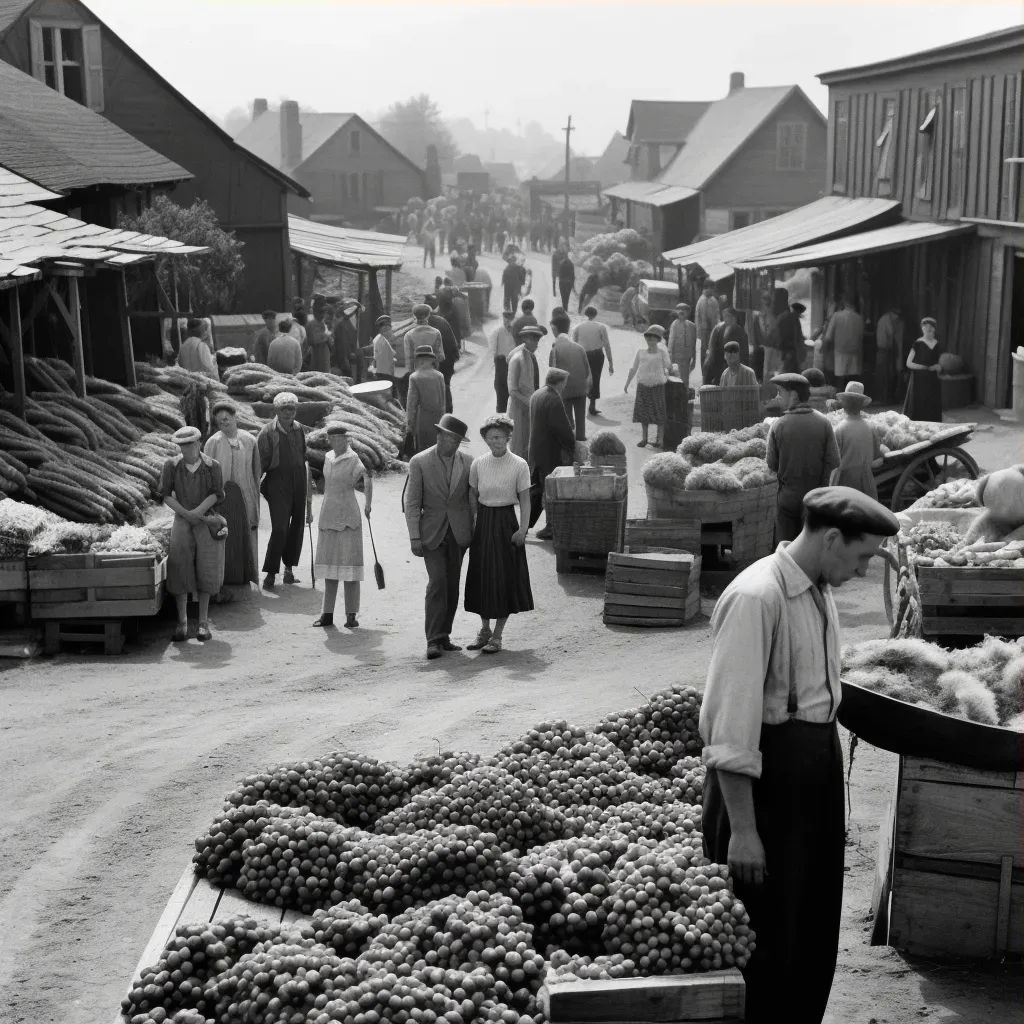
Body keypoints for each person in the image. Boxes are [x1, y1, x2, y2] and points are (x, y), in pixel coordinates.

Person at [699, 485, 899, 1024]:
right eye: (860, 557)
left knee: (809, 926)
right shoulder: (756, 598)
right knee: (766, 939)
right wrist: (743, 830)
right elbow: (730, 730)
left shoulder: (816, 587)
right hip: (765, 792)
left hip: (811, 778)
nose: (861, 572)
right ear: (832, 538)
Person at [405, 414, 474, 660]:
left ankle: (444, 636)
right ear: (439, 435)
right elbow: (411, 502)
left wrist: (473, 532)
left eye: (457, 440)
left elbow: (471, 500)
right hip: (431, 533)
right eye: (448, 437)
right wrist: (414, 536)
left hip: (458, 533)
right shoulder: (419, 462)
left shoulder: (468, 462)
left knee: (453, 585)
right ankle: (432, 640)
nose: (452, 443)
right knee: (438, 583)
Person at [465, 414, 535, 653]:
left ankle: (497, 636)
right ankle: (484, 630)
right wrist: (474, 522)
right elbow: (472, 494)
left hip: (507, 523)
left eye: (500, 437)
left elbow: (525, 500)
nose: (495, 441)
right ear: (485, 439)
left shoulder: (519, 465)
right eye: (491, 437)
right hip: (484, 523)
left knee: (505, 577)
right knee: (483, 575)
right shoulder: (479, 463)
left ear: (508, 437)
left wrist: (523, 530)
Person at [161, 425, 226, 642]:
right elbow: (166, 495)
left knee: (206, 567)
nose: (185, 449)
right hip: (182, 520)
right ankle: (182, 622)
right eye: (182, 446)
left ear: (199, 443)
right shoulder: (171, 465)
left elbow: (217, 494)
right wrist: (186, 513)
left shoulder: (212, 466)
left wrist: (197, 512)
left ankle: (204, 623)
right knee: (180, 566)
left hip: (206, 520)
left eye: (189, 445)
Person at [766, 374, 841, 543]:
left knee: (786, 550)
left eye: (780, 392)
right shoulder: (824, 423)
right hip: (816, 499)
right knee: (812, 551)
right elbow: (834, 461)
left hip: (787, 501)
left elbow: (771, 465)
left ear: (793, 395)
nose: (777, 397)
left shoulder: (778, 425)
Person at [312, 424, 372, 630]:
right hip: (328, 514)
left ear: (347, 440)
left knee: (350, 566)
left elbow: (367, 478)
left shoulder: (354, 459)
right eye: (332, 438)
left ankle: (351, 615)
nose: (336, 442)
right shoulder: (328, 457)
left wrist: (368, 504)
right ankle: (327, 613)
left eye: (340, 438)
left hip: (348, 515)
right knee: (329, 566)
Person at [257, 392, 313, 590]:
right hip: (277, 483)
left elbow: (303, 456)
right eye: (284, 410)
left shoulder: (298, 429)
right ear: (276, 411)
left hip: (298, 481)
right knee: (280, 529)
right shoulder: (267, 433)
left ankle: (289, 570)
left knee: (297, 527)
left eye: (292, 409)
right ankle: (271, 572)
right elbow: (260, 464)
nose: (289, 414)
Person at [204, 400, 260, 591]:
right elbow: (207, 471)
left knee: (247, 532)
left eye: (227, 418)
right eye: (220, 421)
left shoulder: (250, 440)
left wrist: (255, 496)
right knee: (226, 533)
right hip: (223, 498)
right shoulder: (213, 442)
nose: (224, 422)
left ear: (235, 418)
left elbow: (256, 471)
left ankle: (246, 576)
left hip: (246, 495)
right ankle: (225, 577)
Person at [528, 367, 576, 539]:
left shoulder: (537, 394)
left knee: (537, 489)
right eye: (564, 382)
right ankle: (550, 527)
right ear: (560, 382)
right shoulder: (554, 399)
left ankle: (524, 525)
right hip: (549, 452)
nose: (565, 386)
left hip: (535, 449)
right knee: (551, 490)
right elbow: (562, 428)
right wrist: (572, 444)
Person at [625, 324, 672, 448]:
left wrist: (667, 372)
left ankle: (660, 440)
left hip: (658, 385)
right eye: (648, 337)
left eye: (653, 337)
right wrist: (627, 384)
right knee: (643, 413)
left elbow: (669, 367)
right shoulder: (640, 352)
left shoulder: (662, 352)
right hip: (643, 385)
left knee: (659, 413)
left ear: (658, 339)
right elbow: (633, 368)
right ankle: (644, 439)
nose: (650, 339)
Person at [830, 382, 879, 499]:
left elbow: (832, 460)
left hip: (845, 482)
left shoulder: (839, 429)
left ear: (844, 404)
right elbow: (877, 456)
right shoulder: (870, 427)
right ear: (862, 405)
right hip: (867, 480)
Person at [548, 309, 592, 441]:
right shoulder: (579, 347)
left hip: (565, 390)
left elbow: (553, 374)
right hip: (581, 388)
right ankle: (580, 437)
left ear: (554, 329)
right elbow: (587, 371)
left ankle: (568, 440)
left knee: (566, 419)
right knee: (580, 418)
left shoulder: (555, 349)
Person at [507, 323, 544, 459]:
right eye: (533, 339)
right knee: (517, 445)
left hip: (528, 408)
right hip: (517, 409)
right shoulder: (516, 359)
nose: (536, 343)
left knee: (528, 445)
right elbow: (512, 390)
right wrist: (530, 402)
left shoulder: (529, 357)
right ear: (524, 339)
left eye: (537, 340)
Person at [572, 306, 614, 416]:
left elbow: (574, 345)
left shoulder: (577, 327)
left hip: (582, 355)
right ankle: (592, 405)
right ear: (595, 315)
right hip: (597, 355)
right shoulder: (601, 327)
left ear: (585, 314)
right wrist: (610, 363)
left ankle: (580, 404)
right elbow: (607, 345)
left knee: (582, 379)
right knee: (595, 379)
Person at [406, 345, 447, 453]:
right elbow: (444, 401)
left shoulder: (415, 377)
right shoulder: (439, 376)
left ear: (419, 360)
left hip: (423, 419)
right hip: (439, 418)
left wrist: (409, 425)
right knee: (438, 448)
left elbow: (412, 404)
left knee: (424, 450)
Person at [904, 317, 944, 422]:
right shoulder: (918, 343)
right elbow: (908, 363)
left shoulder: (937, 344)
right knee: (920, 404)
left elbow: (940, 362)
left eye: (931, 327)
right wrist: (923, 367)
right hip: (919, 380)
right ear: (922, 329)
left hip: (932, 380)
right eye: (926, 327)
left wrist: (938, 367)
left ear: (934, 329)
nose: (928, 330)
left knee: (932, 404)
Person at [824, 297, 864, 389]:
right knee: (853, 379)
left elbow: (828, 337)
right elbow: (861, 337)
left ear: (843, 304)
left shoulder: (836, 316)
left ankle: (840, 399)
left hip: (840, 351)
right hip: (855, 353)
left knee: (840, 378)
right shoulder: (859, 318)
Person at [431, 294, 462, 412]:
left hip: (433, 362)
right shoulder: (442, 321)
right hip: (447, 361)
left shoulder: (421, 325)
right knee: (445, 385)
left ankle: (439, 411)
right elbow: (452, 340)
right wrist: (456, 355)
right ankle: (448, 411)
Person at [703, 307, 749, 385]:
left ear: (734, 318)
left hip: (733, 360)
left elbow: (744, 351)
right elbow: (713, 346)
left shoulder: (740, 331)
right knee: (708, 368)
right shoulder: (718, 329)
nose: (726, 319)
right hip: (719, 359)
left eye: (728, 316)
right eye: (725, 316)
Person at [875, 304, 905, 406]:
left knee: (888, 375)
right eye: (896, 314)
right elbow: (890, 335)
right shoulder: (886, 320)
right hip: (884, 351)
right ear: (892, 313)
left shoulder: (889, 320)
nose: (897, 317)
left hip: (887, 351)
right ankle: (884, 399)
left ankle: (886, 398)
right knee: (885, 375)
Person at [491, 310, 517, 413]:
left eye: (509, 320)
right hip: (501, 365)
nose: (507, 323)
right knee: (501, 395)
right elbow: (493, 350)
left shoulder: (515, 332)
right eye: (505, 320)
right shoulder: (497, 332)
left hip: (513, 365)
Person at [404, 303, 444, 369]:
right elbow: (440, 356)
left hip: (417, 371)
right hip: (432, 370)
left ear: (415, 316)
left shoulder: (408, 335)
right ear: (428, 315)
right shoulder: (436, 332)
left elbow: (408, 359)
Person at [332, 301, 363, 381]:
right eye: (357, 313)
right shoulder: (342, 325)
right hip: (343, 359)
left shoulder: (350, 324)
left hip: (350, 358)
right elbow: (342, 347)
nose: (358, 316)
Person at [667, 303, 697, 383]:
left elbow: (694, 343)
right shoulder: (674, 324)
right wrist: (669, 357)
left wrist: (694, 358)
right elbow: (671, 341)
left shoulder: (692, 326)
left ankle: (685, 393)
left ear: (688, 313)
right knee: (676, 377)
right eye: (680, 311)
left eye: (685, 310)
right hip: (676, 356)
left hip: (687, 357)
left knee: (685, 378)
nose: (682, 312)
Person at [776, 300, 806, 375]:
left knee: (787, 368)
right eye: (799, 313)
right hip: (789, 348)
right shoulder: (791, 318)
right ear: (797, 311)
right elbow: (792, 335)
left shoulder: (784, 316)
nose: (799, 315)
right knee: (789, 370)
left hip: (785, 348)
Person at [694, 282, 721, 367]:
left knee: (712, 347)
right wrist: (700, 329)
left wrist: (717, 325)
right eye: (711, 289)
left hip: (712, 328)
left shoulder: (713, 300)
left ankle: (710, 366)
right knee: (703, 348)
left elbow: (717, 314)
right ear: (707, 288)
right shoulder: (701, 300)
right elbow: (698, 317)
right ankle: (703, 367)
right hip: (703, 329)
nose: (713, 291)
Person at [304, 295, 332, 373]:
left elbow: (331, 342)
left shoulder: (324, 323)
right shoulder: (311, 324)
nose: (322, 315)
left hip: (324, 355)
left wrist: (327, 337)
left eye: (323, 312)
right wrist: (326, 337)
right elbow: (310, 341)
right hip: (315, 356)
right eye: (319, 312)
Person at [371, 315, 397, 392]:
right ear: (384, 328)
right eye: (389, 328)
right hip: (386, 373)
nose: (391, 330)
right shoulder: (381, 341)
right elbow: (385, 358)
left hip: (382, 372)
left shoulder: (380, 338)